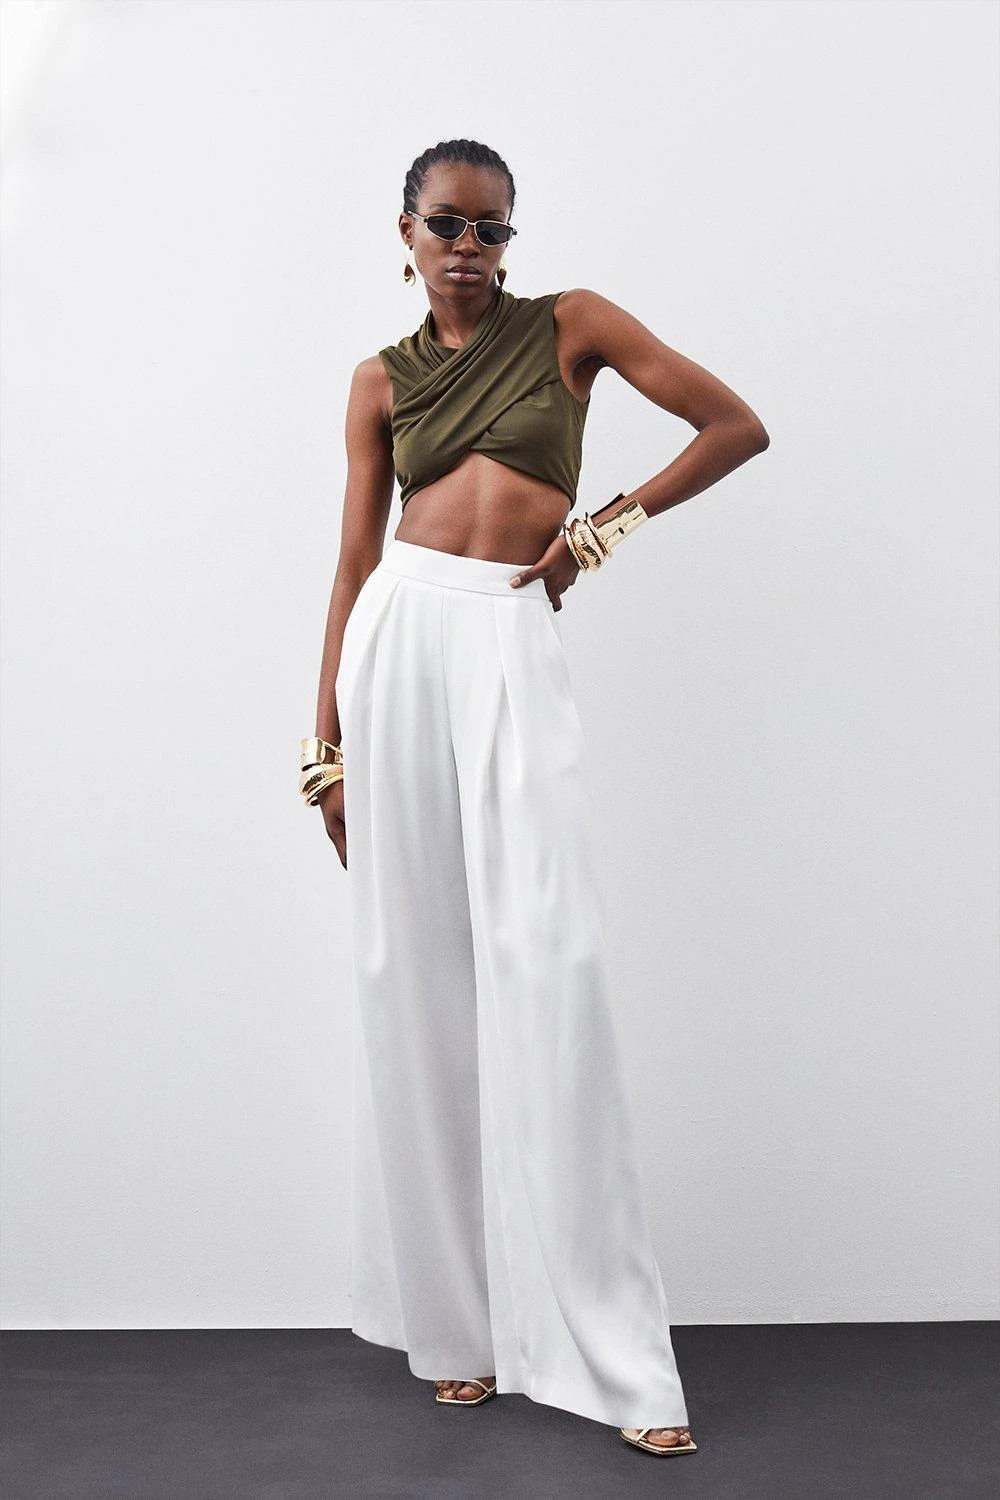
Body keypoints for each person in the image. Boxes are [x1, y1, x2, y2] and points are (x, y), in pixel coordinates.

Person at [301, 137, 769, 1458]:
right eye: (447, 224)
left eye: (492, 228)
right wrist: (322, 746)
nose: (470, 246)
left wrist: (600, 532)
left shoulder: (573, 326)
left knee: (548, 957)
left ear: (512, 239)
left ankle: (612, 1353)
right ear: (405, 231)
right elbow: (351, 562)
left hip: (508, 629)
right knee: (413, 972)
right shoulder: (377, 380)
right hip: (400, 638)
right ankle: (456, 1330)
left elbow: (734, 426)